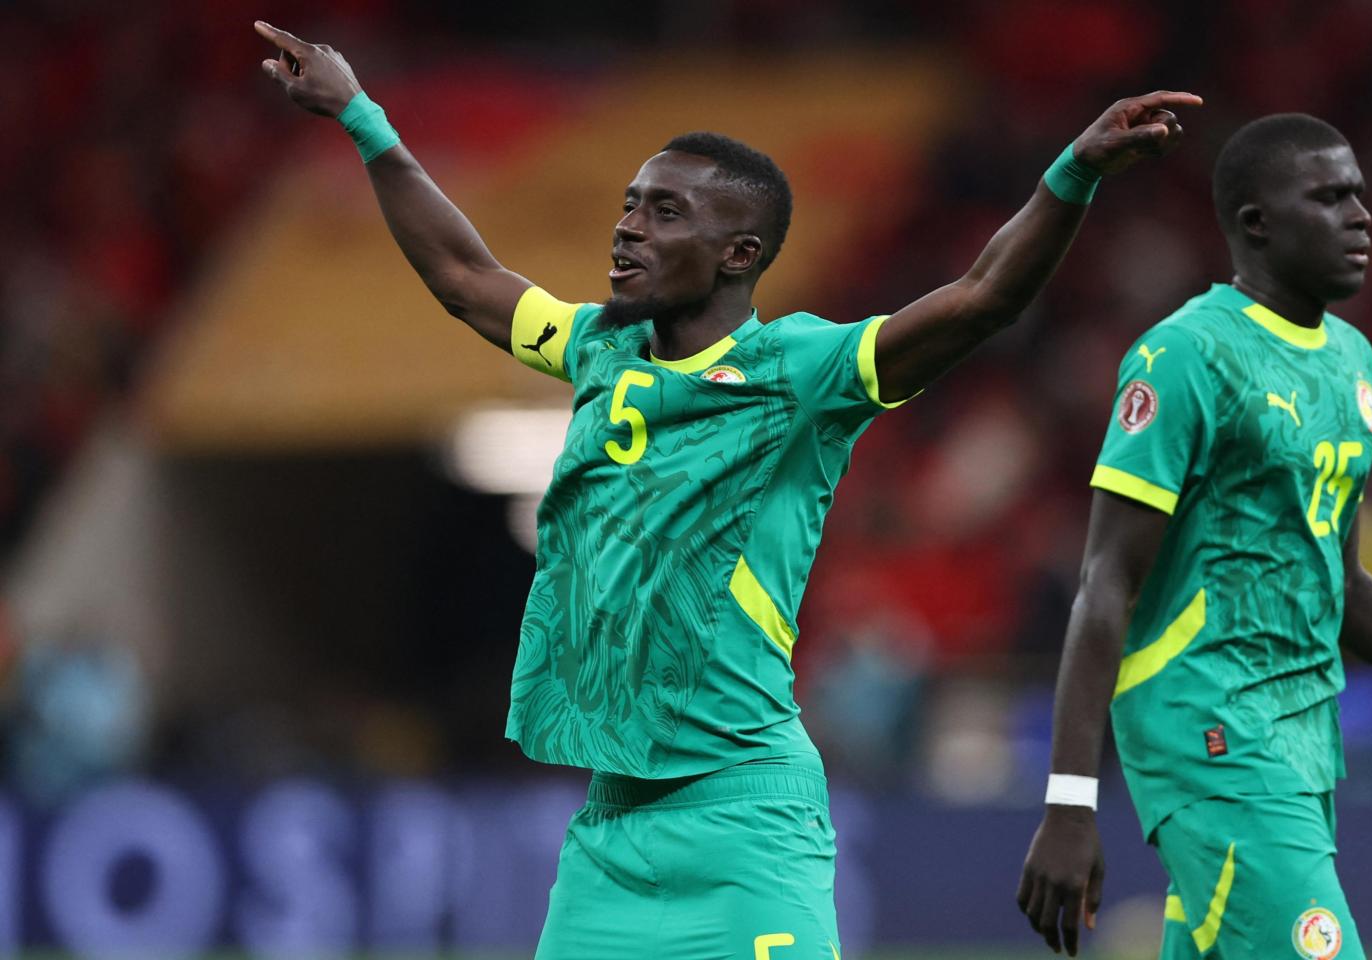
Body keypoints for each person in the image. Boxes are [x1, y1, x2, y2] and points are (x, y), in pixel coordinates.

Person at [253, 20, 1200, 959]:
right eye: (629, 204)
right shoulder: (597, 348)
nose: (627, 226)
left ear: (739, 254)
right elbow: (465, 274)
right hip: (609, 834)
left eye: (665, 212)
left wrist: (1071, 173)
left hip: (745, 823)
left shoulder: (802, 371)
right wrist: (362, 117)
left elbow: (983, 296)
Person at [1015, 113, 1372, 959]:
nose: (1362, 216)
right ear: (1257, 222)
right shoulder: (1185, 355)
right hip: (1209, 733)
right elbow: (1106, 581)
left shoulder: (1352, 364)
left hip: (1302, 744)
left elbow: (1345, 587)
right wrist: (1070, 802)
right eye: (1330, 197)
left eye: (1360, 196)